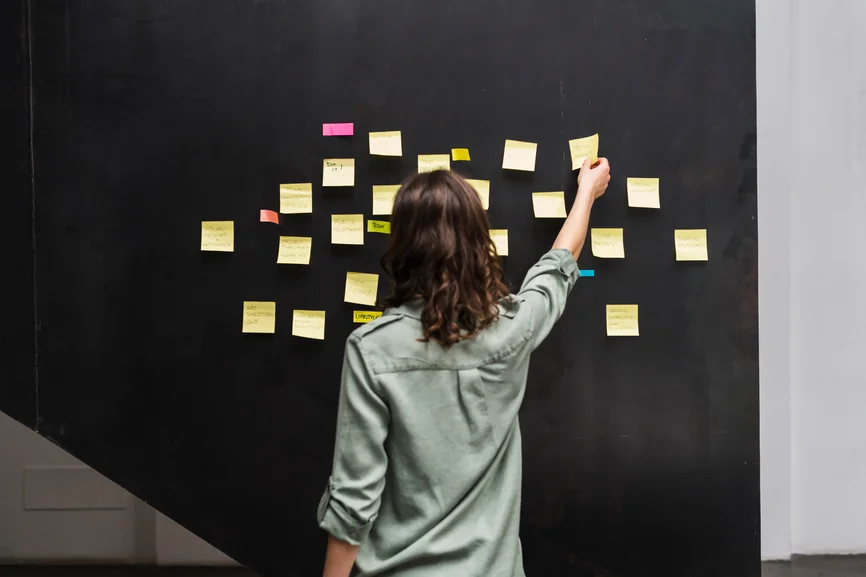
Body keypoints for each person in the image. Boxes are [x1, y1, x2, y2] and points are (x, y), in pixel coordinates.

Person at [317, 157, 611, 577]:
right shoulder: (512, 330)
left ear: (402, 244)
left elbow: (353, 501)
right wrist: (586, 193)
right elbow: (557, 267)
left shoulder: (371, 349)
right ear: (477, 241)